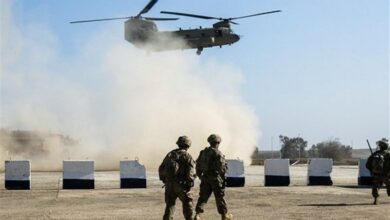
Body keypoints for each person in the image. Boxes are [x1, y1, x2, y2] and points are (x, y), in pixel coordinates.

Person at [194, 134, 233, 220]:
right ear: (218, 143)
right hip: (215, 178)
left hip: (205, 178)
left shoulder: (203, 152)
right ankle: (224, 216)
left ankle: (197, 215)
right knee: (220, 198)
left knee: (203, 197)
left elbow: (198, 165)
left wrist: (200, 175)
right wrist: (221, 178)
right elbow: (222, 168)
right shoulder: (218, 153)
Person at [159, 136, 196, 220]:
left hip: (169, 184)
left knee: (170, 206)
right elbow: (190, 172)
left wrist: (165, 180)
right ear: (188, 145)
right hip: (181, 185)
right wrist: (190, 183)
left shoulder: (170, 154)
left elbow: (161, 167)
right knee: (187, 204)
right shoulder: (187, 155)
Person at [366, 138, 390, 205]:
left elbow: (367, 165)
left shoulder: (375, 154)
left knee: (375, 186)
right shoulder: (388, 154)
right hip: (386, 174)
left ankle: (376, 200)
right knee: (389, 185)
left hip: (376, 174)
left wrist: (372, 171)